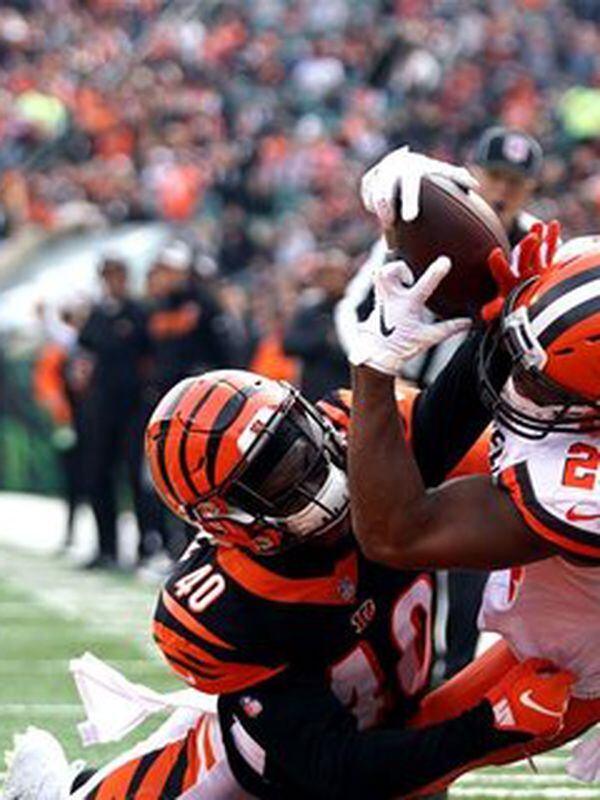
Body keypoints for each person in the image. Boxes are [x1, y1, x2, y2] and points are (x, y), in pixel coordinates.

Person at [1, 369, 574, 800]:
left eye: (299, 443)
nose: (314, 472)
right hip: (268, 780)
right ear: (231, 522)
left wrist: (509, 313)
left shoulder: (364, 447)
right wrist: (484, 728)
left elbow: (463, 404)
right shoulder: (233, 606)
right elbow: (333, 768)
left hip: (381, 724)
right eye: (276, 479)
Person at [346, 154, 600, 793]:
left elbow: (396, 533)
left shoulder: (580, 491)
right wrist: (423, 203)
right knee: (356, 440)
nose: (512, 372)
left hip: (578, 661)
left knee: (410, 763)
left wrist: (375, 368)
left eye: (531, 371)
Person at [77, 254, 160, 570]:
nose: (113, 282)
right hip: (102, 406)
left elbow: (152, 354)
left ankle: (144, 548)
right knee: (98, 475)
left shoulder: (139, 313)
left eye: (117, 275)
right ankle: (106, 547)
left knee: (137, 479)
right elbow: (84, 349)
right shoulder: (97, 314)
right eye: (108, 275)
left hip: (133, 406)